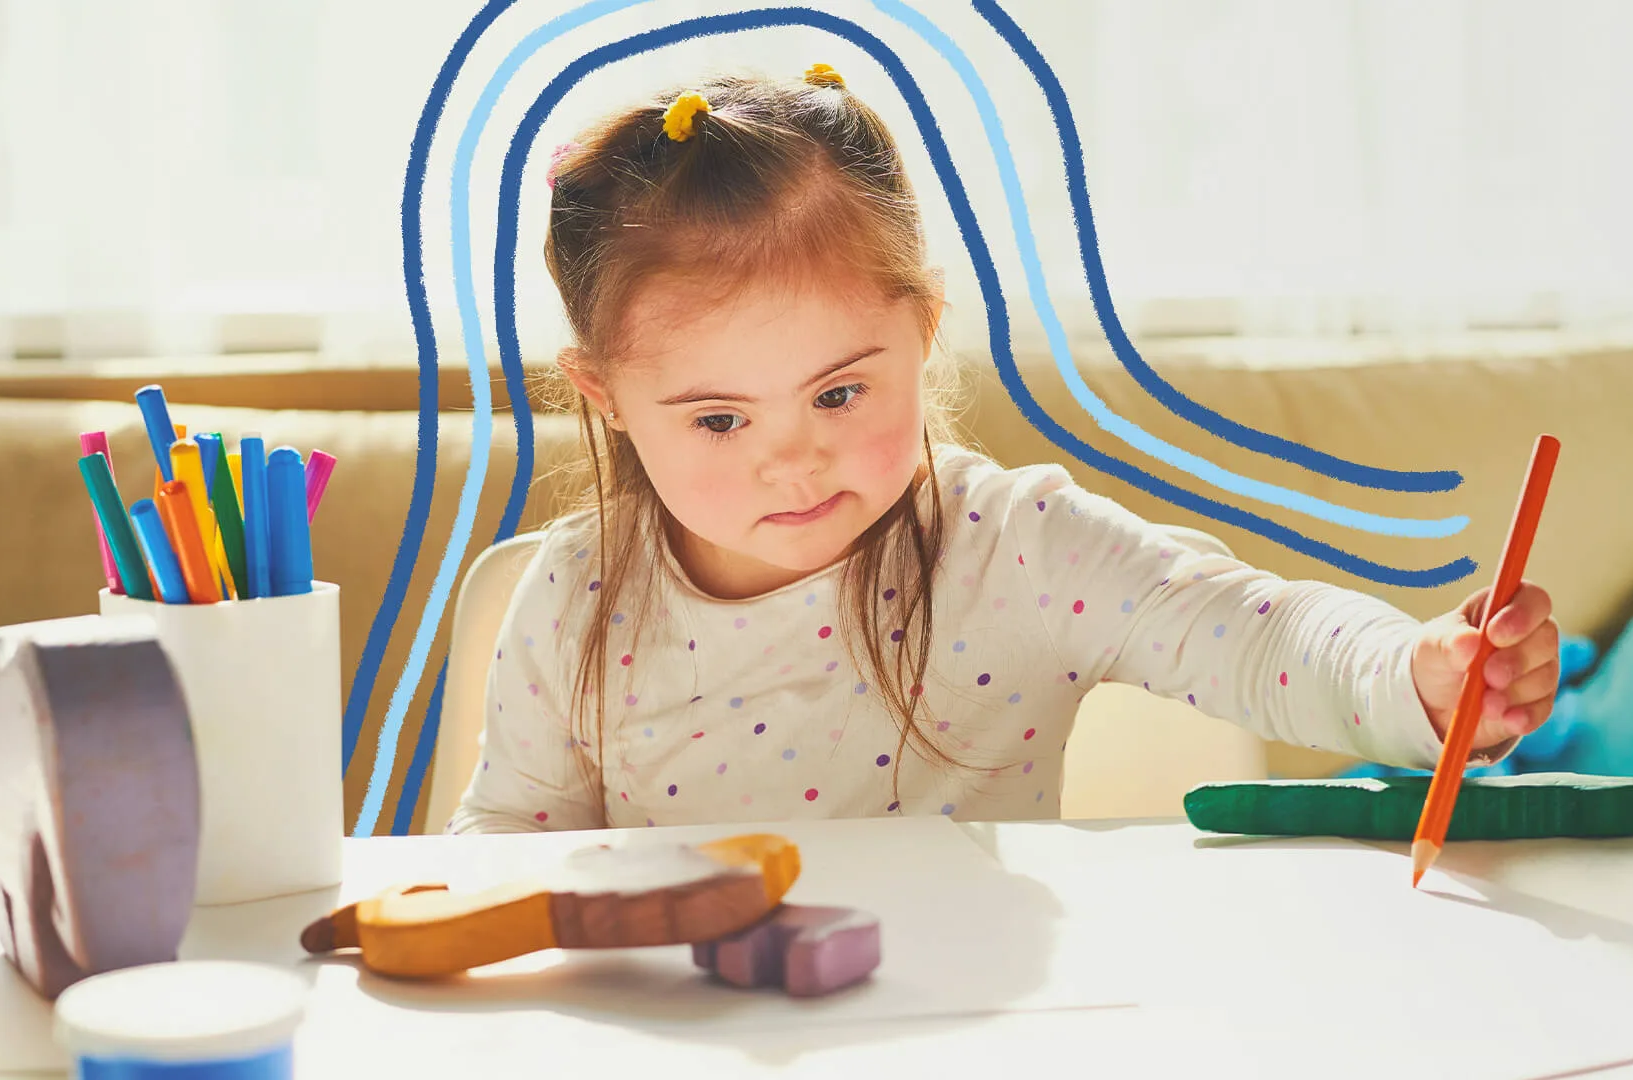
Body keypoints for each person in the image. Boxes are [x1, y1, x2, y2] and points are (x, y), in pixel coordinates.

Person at [446, 66, 1558, 833]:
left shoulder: (1015, 548)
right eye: (721, 419)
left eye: (838, 392)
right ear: (608, 399)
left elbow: (1256, 635)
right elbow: (508, 845)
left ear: (922, 334)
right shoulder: (577, 599)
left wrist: (1416, 674)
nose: (794, 463)